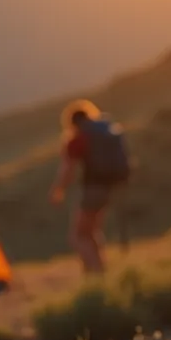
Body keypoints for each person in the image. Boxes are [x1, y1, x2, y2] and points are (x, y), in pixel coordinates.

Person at [48, 99, 131, 275]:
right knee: (92, 231)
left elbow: (67, 170)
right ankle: (100, 270)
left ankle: (96, 274)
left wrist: (58, 190)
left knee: (78, 236)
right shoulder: (104, 131)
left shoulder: (79, 139)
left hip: (94, 188)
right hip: (111, 186)